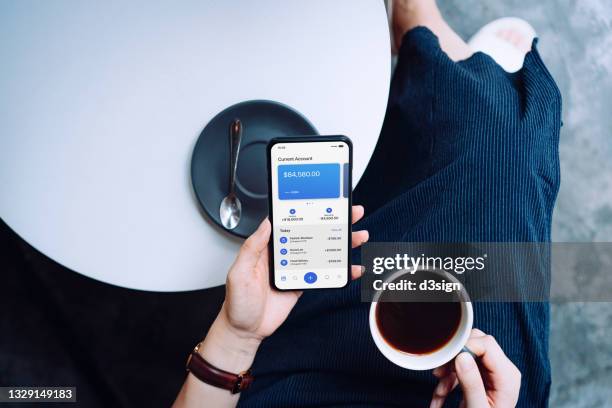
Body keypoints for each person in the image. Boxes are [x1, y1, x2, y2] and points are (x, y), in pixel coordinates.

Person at [175, 0, 561, 406]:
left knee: (482, 140)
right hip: (450, 382)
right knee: (506, 150)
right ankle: (422, 35)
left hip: (300, 376)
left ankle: (431, 51)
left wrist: (237, 335)